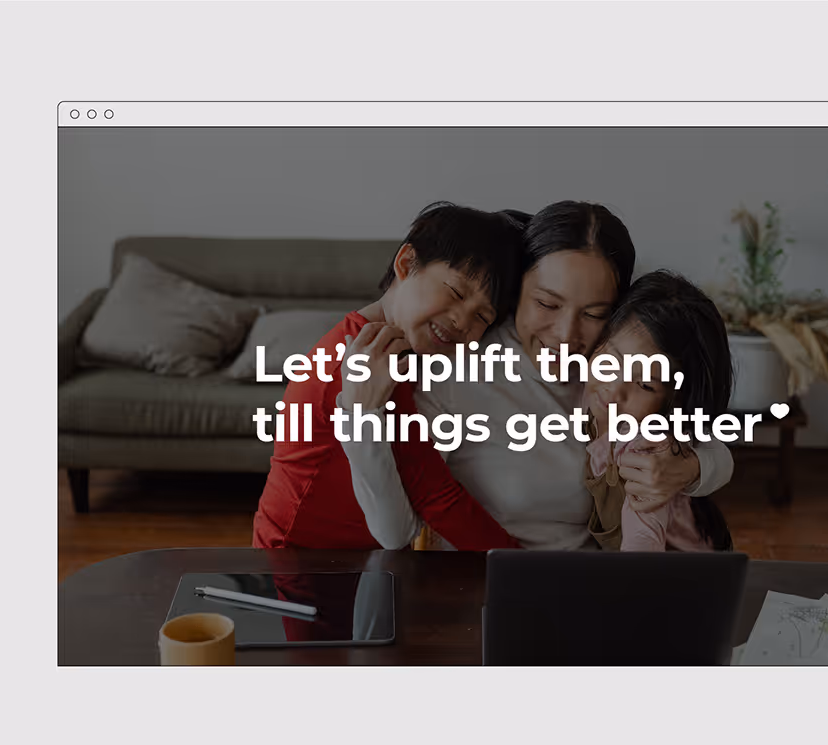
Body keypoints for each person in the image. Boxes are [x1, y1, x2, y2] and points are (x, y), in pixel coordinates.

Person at [340, 201, 735, 550]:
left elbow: (705, 434)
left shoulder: (612, 368)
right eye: (547, 303)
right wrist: (360, 418)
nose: (566, 336)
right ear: (517, 292)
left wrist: (691, 468)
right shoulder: (461, 366)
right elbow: (395, 533)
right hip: (481, 593)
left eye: (595, 313)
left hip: (589, 592)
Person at [252, 202, 526, 550]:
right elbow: (434, 499)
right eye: (456, 292)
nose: (462, 321)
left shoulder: (395, 348)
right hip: (299, 566)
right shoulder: (365, 364)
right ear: (406, 263)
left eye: (482, 317)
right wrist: (523, 568)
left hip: (335, 559)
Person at [581, 270, 734, 551]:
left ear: (672, 402)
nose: (614, 390)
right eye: (612, 361)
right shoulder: (589, 399)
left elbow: (644, 539)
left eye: (645, 385)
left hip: (686, 575)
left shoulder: (645, 448)